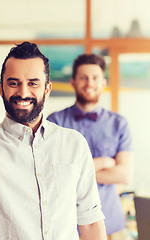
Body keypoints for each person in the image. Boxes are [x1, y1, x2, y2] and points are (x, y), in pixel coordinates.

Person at [0, 42, 107, 240]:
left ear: (47, 88)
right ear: (1, 88)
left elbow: (90, 221)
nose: (23, 93)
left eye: (33, 83)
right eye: (13, 83)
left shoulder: (74, 144)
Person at [47, 53, 134, 240]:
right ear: (73, 81)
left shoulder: (119, 123)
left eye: (95, 78)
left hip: (111, 224)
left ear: (103, 82)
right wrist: (104, 162)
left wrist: (74, 173)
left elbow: (124, 174)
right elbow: (51, 174)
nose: (89, 83)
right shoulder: (54, 122)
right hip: (65, 226)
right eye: (83, 77)